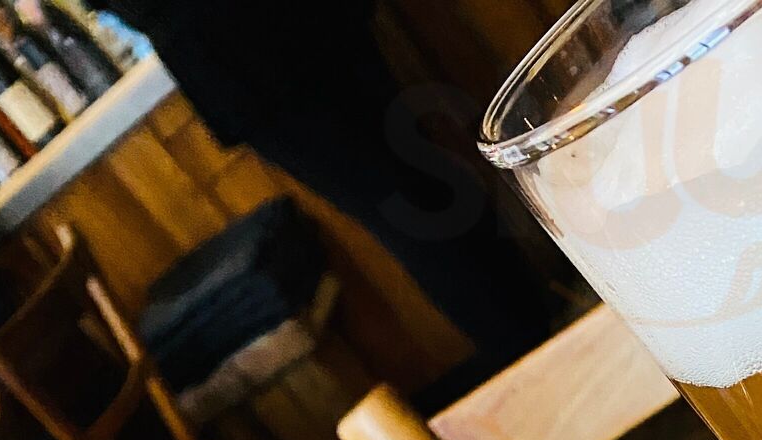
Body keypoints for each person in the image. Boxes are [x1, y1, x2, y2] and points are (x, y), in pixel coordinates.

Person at [115, 0, 548, 362]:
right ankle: (535, 324)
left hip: (240, 58)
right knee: (420, 186)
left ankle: (529, 344)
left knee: (406, 206)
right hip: (297, 27)